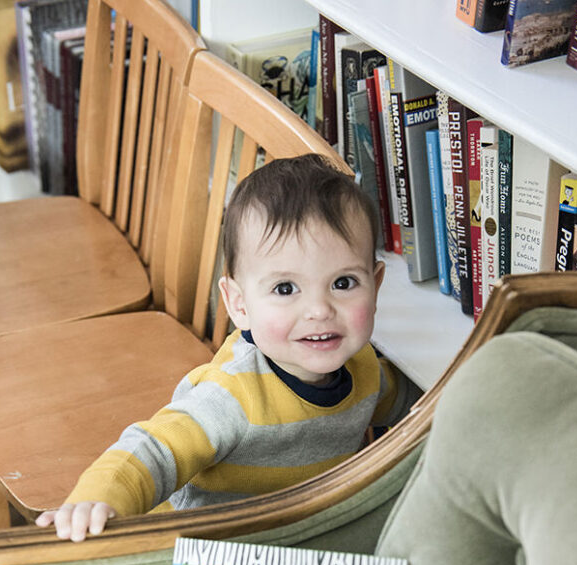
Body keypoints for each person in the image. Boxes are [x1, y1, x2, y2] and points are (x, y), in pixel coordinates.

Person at [36, 154, 418, 542]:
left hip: (303, 535)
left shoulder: (364, 367)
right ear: (238, 305)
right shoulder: (230, 397)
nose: (319, 310)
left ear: (376, 284)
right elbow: (154, 449)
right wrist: (98, 499)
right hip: (213, 550)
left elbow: (406, 400)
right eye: (286, 289)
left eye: (343, 283)